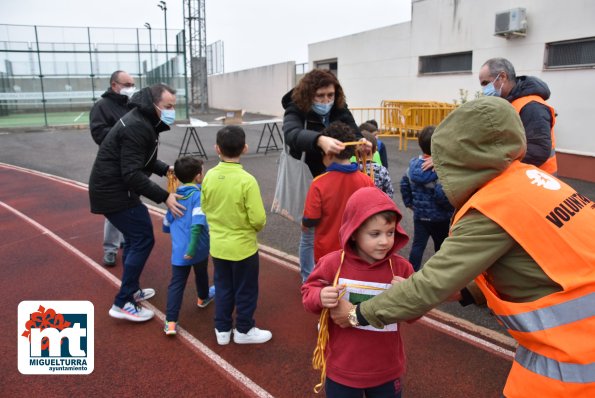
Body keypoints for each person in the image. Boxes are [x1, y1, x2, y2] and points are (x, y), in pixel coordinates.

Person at [330, 97, 595, 397]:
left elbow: (428, 285)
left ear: (460, 158)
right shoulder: (537, 182)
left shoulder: (493, 206)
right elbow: (542, 265)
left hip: (573, 357)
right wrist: (465, 291)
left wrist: (356, 314)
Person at [302, 186, 413, 397]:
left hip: (386, 370)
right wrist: (320, 296)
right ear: (353, 233)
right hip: (342, 369)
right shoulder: (332, 263)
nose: (385, 241)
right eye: (375, 234)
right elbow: (308, 295)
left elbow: (415, 314)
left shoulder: (401, 268)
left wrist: (407, 298)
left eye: (390, 233)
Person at [89, 83, 185, 322]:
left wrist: (166, 169)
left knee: (135, 238)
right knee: (143, 237)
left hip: (115, 190)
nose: (172, 111)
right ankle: (122, 302)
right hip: (114, 192)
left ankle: (131, 289)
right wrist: (165, 197)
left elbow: (143, 158)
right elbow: (131, 173)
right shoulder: (137, 126)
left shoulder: (144, 121)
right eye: (168, 106)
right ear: (153, 104)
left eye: (174, 106)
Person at [281, 68, 364, 283]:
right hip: (310, 175)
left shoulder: (339, 107)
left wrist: (363, 141)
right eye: (320, 96)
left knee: (339, 226)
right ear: (309, 94)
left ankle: (339, 272)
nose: (326, 100)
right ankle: (310, 279)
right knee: (309, 231)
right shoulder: (295, 108)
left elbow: (354, 131)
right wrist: (319, 139)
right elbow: (292, 134)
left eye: (330, 95)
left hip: (337, 174)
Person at [201, 125, 272, 345]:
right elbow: (258, 218)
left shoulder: (209, 176)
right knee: (246, 289)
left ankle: (222, 329)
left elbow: (205, 207)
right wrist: (251, 229)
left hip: (219, 246)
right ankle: (244, 329)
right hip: (243, 247)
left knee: (223, 287)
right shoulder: (247, 180)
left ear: (217, 149)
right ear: (245, 148)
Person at [302, 121, 375, 266]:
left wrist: (304, 224)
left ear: (327, 153)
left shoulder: (318, 183)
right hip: (357, 251)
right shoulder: (367, 180)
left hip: (327, 253)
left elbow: (310, 220)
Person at [162, 156, 214, 336]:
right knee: (201, 273)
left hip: (178, 250)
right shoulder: (198, 196)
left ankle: (170, 322)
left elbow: (166, 221)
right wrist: (192, 248)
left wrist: (169, 230)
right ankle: (203, 297)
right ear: (198, 176)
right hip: (197, 247)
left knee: (176, 283)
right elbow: (198, 224)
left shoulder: (173, 196)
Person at [89, 70, 136, 267]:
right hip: (113, 164)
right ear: (114, 85)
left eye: (132, 84)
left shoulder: (132, 106)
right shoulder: (102, 106)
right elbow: (99, 133)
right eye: (127, 84)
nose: (130, 88)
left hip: (131, 163)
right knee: (114, 207)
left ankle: (125, 239)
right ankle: (110, 248)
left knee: (130, 203)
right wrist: (123, 132)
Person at [479, 57, 557, 174]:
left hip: (538, 179)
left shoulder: (531, 106)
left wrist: (500, 165)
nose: (484, 89)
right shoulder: (510, 103)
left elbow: (537, 151)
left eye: (486, 83)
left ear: (502, 77)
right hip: (523, 175)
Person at [399, 126, 453, 271]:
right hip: (440, 218)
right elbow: (441, 195)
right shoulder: (439, 169)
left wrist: (409, 203)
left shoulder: (413, 166)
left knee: (418, 246)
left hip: (420, 216)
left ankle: (411, 272)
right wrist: (450, 208)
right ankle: (440, 272)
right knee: (441, 247)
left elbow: (404, 184)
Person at [358, 131, 394, 199]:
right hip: (378, 205)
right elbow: (389, 192)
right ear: (375, 150)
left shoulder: (354, 169)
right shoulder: (381, 170)